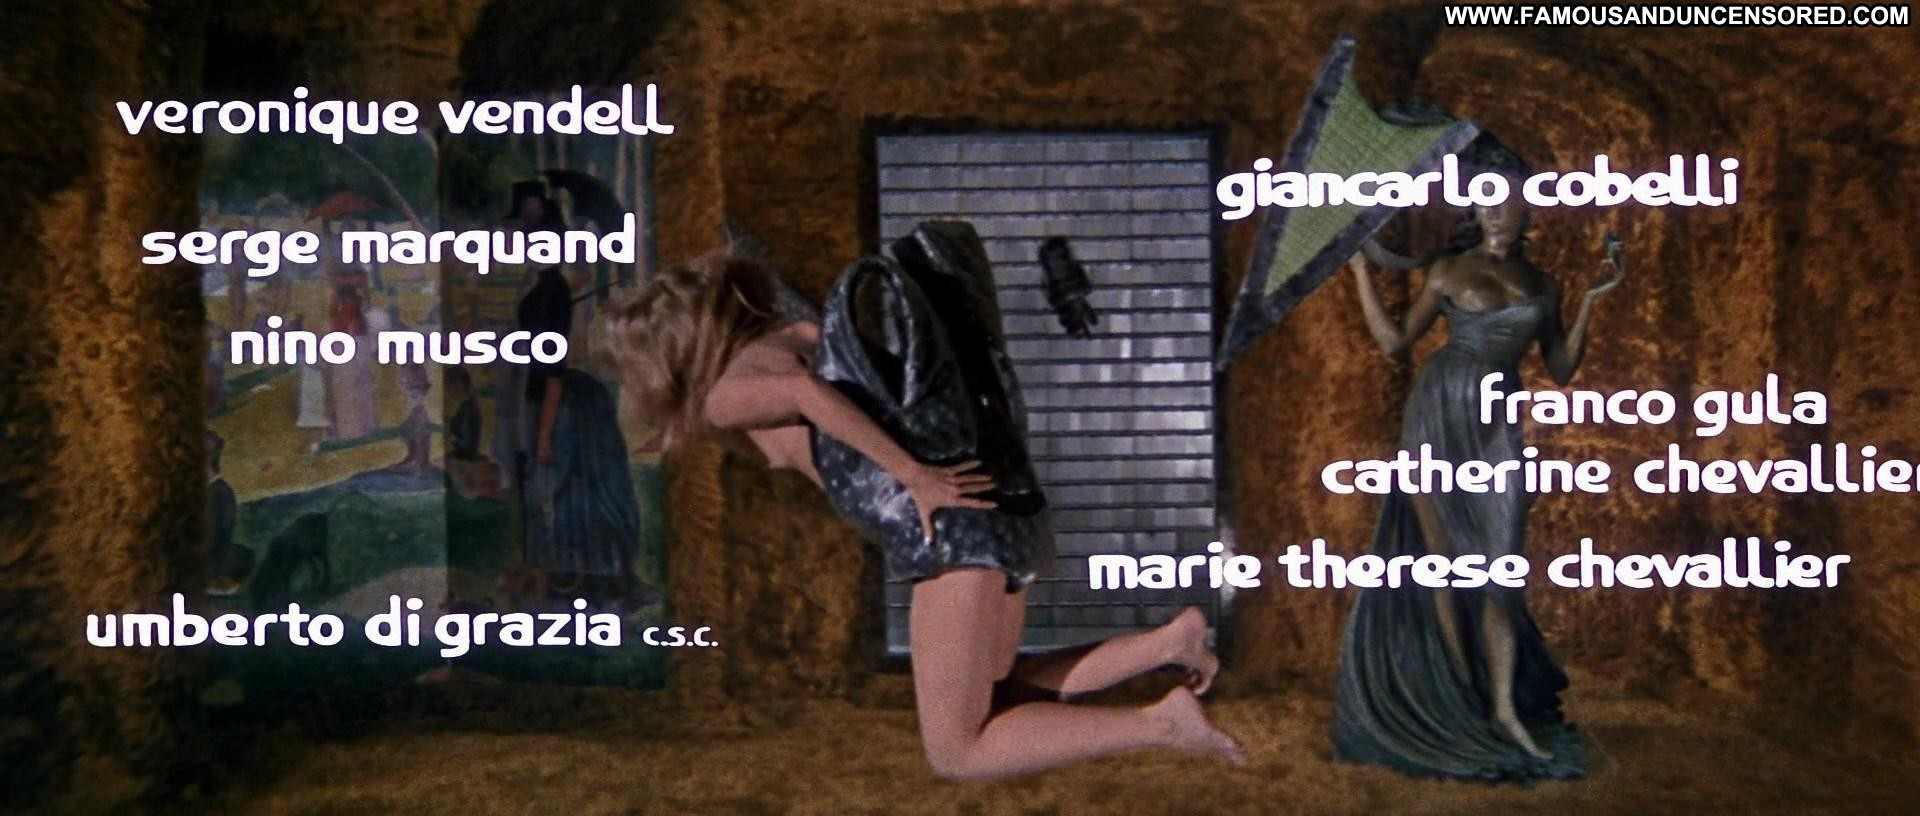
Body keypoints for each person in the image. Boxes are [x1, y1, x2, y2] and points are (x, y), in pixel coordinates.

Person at [600, 228, 1241, 781]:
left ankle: (1161, 724)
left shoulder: (725, 394)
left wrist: (915, 477)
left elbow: (804, 393)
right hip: (989, 513)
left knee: (958, 750)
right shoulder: (792, 334)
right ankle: (1166, 644)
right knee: (1001, 690)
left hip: (949, 533)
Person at [1332, 142, 1624, 781]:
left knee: (1500, 572)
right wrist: (1359, 272)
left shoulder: (1543, 284)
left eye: (1506, 200)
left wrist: (1592, 302)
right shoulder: (1446, 271)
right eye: (1483, 200)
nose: (1494, 211)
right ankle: (1460, 700)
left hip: (1496, 427)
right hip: (1437, 414)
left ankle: (1504, 710)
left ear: (1525, 208)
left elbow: (1561, 369)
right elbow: (1394, 342)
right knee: (1441, 567)